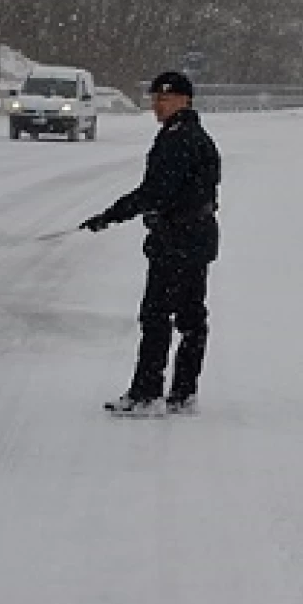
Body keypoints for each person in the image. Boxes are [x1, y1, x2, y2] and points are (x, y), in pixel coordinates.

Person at [82, 71, 222, 415]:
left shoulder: (179, 139)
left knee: (157, 316)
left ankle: (147, 393)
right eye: (155, 98)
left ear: (184, 100)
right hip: (195, 237)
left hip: (178, 240)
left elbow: (156, 192)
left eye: (165, 98)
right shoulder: (192, 135)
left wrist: (111, 215)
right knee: (190, 317)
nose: (157, 105)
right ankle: (183, 393)